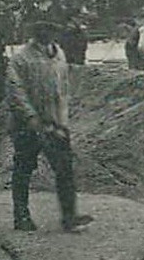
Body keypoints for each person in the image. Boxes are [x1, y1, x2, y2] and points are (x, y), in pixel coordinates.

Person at [6, 21, 93, 233]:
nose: (48, 34)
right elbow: (15, 92)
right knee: (24, 168)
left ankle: (69, 216)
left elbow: (63, 89)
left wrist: (63, 121)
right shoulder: (21, 59)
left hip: (55, 123)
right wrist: (31, 117)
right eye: (43, 30)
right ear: (35, 33)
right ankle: (21, 216)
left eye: (52, 29)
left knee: (64, 168)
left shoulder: (58, 55)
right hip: (27, 125)